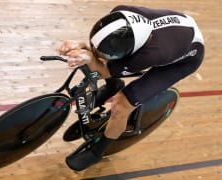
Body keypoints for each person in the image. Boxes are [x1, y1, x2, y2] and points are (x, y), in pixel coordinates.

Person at [58, 5, 204, 171]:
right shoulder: (120, 12)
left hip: (184, 60)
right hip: (177, 32)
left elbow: (103, 71)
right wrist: (81, 46)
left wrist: (87, 55)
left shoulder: (152, 53)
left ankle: (97, 151)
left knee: (121, 106)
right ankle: (115, 84)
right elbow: (101, 50)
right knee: (104, 57)